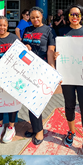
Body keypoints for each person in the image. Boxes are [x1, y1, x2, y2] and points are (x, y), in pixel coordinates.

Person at [57, 5, 83, 154]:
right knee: (69, 105)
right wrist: (55, 55)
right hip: (67, 74)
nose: (74, 17)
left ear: (82, 16)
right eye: (72, 14)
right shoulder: (62, 32)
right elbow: (56, 49)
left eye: (77, 15)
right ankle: (71, 132)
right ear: (68, 16)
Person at [22, 7, 57, 146]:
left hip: (41, 68)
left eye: (37, 17)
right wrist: (25, 46)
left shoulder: (49, 30)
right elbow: (22, 46)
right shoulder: (27, 30)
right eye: (32, 18)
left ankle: (39, 131)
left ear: (42, 16)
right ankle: (35, 126)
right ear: (29, 18)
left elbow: (50, 50)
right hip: (27, 68)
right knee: (29, 100)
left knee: (36, 100)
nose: (35, 20)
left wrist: (52, 68)